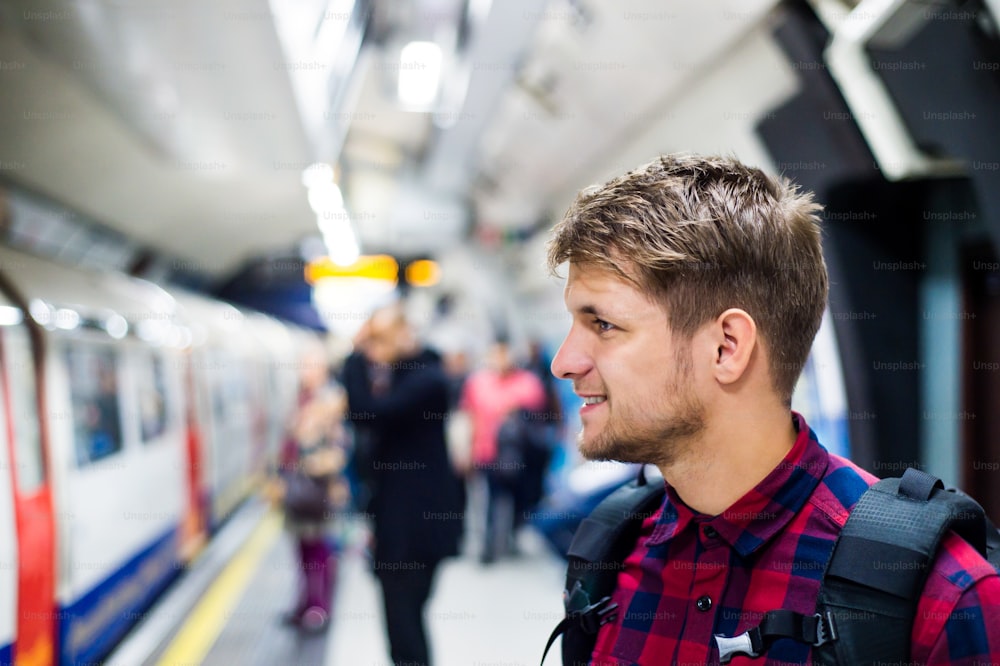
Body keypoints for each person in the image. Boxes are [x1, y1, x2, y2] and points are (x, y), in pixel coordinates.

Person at [546, 154, 1000, 664]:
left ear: (726, 347)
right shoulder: (609, 552)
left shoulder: (943, 601)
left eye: (603, 324)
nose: (564, 363)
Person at [341, 303, 464, 666]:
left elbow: (366, 414)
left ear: (401, 335)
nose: (373, 350)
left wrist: (353, 359)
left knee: (404, 622)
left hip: (415, 531)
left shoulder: (426, 381)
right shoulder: (411, 376)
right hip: (403, 525)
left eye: (379, 340)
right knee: (404, 619)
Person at [270, 346, 347, 632]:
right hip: (297, 490)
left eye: (311, 366)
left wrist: (312, 461)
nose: (305, 372)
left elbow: (338, 450)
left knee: (319, 551)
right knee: (301, 549)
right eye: (303, 366)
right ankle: (304, 602)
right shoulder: (300, 400)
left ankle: (319, 607)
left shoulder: (331, 401)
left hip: (319, 491)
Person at [460, 339, 545, 563]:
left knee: (518, 498)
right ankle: (488, 544)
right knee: (488, 499)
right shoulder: (478, 382)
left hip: (519, 453)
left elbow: (536, 410)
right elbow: (470, 416)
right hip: (487, 452)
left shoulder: (528, 382)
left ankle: (513, 536)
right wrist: (467, 449)